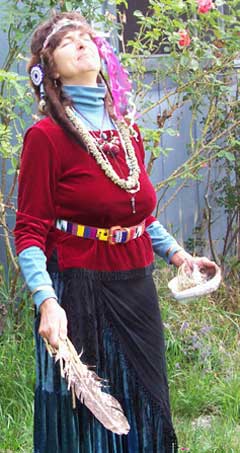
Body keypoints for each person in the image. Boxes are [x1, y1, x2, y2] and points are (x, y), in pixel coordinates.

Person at [14, 11, 217, 453]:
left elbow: (139, 212)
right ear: (48, 70)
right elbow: (29, 230)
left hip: (137, 283)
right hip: (79, 289)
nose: (83, 43)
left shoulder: (129, 133)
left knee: (149, 404)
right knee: (91, 424)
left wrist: (179, 255)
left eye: (87, 36)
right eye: (68, 41)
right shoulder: (45, 137)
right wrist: (47, 302)